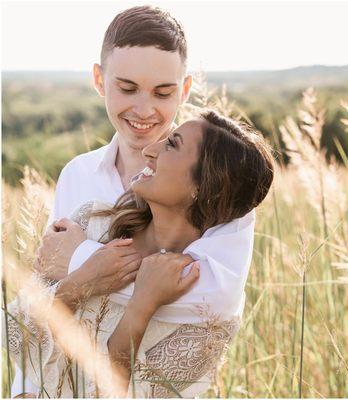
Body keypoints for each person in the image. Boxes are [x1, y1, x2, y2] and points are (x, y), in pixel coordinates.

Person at [8, 5, 256, 398]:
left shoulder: (218, 184)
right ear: (99, 80)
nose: (144, 110)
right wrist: (27, 388)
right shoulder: (78, 175)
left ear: (185, 89)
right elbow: (45, 290)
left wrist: (80, 258)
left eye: (163, 92)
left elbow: (212, 296)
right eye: (127, 88)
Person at [4, 109, 275, 397]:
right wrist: (81, 281)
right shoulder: (90, 223)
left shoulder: (209, 318)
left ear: (205, 187)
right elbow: (13, 335)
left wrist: (141, 308)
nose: (149, 150)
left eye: (171, 145)